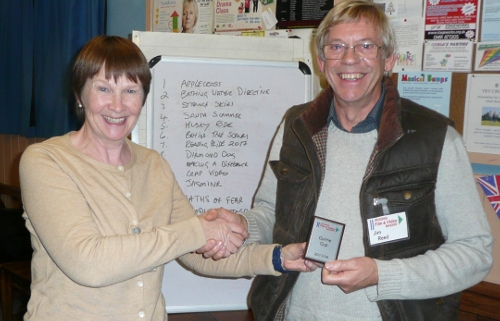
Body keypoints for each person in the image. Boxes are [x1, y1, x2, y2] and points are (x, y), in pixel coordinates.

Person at [200, 1, 494, 320]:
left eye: (366, 46)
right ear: (322, 61)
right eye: (337, 46)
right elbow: (272, 213)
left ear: (389, 59)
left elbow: (474, 253)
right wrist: (243, 226)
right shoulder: (296, 126)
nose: (350, 58)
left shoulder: (434, 139)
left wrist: (382, 275)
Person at [19, 35, 317, 321]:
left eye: (131, 90)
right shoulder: (45, 161)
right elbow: (89, 263)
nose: (118, 105)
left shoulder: (154, 165)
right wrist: (199, 230)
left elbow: (196, 254)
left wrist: (277, 258)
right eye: (103, 89)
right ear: (79, 95)